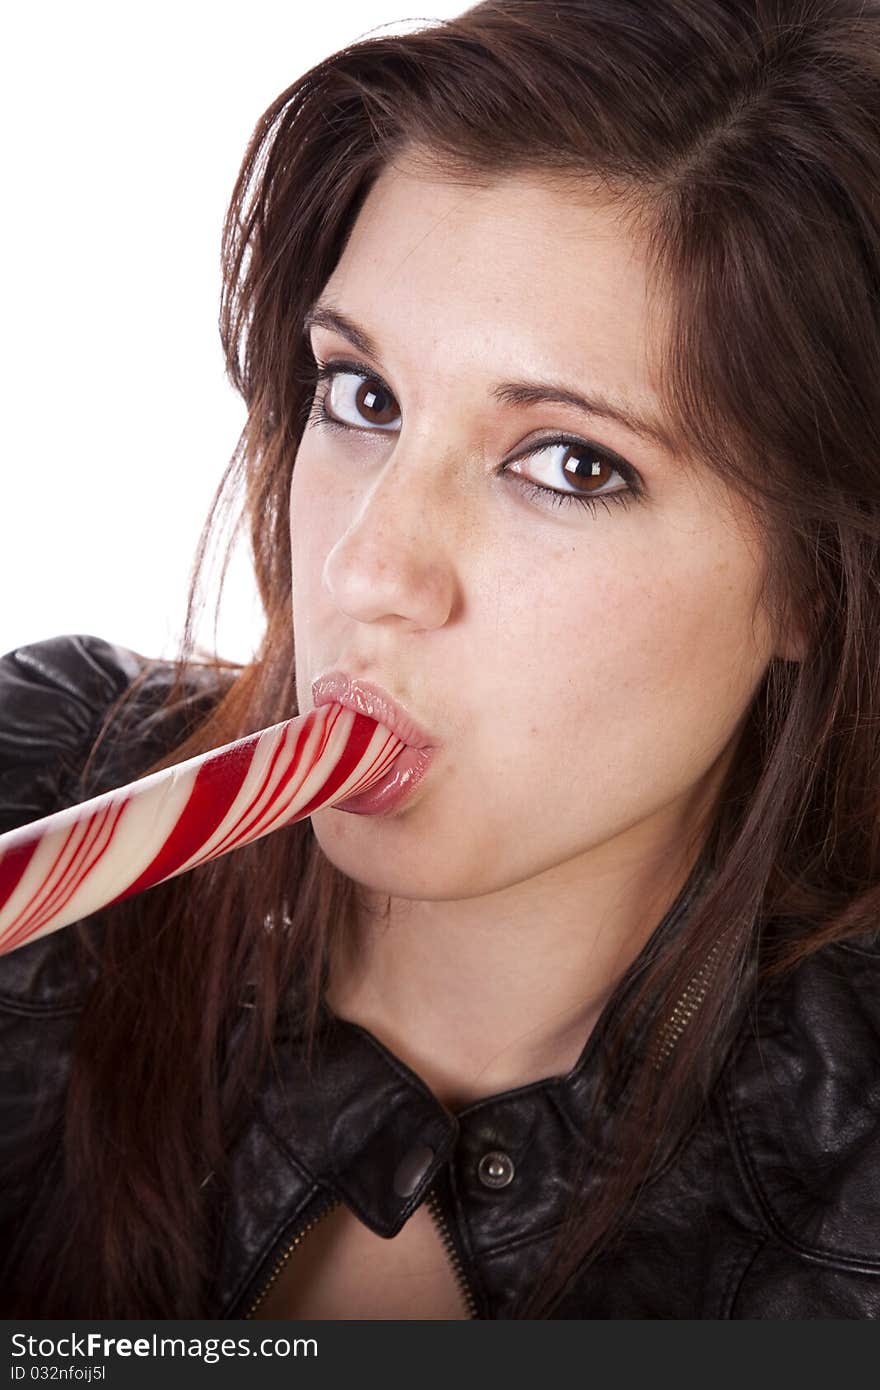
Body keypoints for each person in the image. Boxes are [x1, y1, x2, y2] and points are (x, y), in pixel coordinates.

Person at [2, 0, 880, 1320]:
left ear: (815, 579)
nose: (366, 567)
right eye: (364, 396)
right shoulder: (44, 781)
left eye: (572, 464)